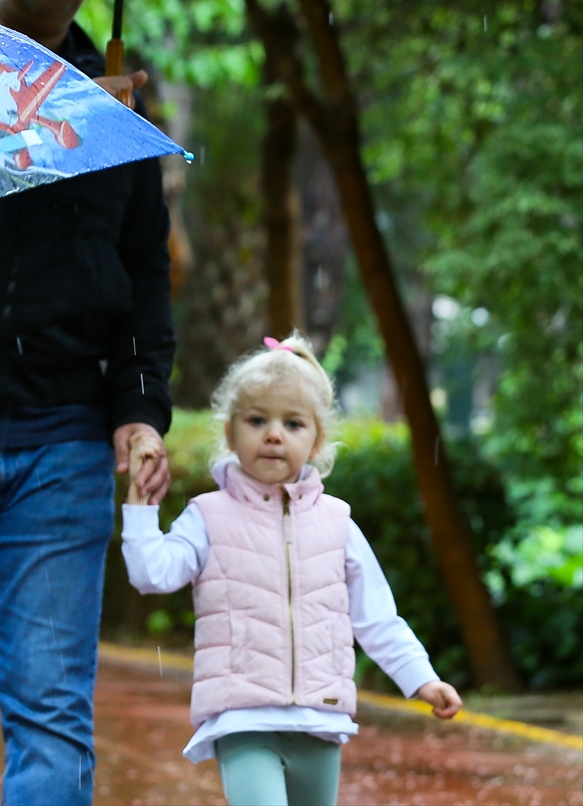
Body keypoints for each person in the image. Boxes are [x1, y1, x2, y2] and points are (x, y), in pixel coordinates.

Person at [0, 0, 176, 803]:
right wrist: (27, 118)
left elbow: (144, 271)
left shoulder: (114, 102)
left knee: (53, 717)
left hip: (63, 439)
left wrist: (139, 404)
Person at [120, 333, 463, 806]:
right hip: (244, 719)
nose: (274, 434)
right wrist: (139, 507)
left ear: (317, 439)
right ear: (230, 433)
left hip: (320, 721)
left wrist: (421, 679)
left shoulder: (337, 522)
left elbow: (377, 617)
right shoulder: (208, 516)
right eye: (257, 420)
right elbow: (151, 574)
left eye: (293, 423)